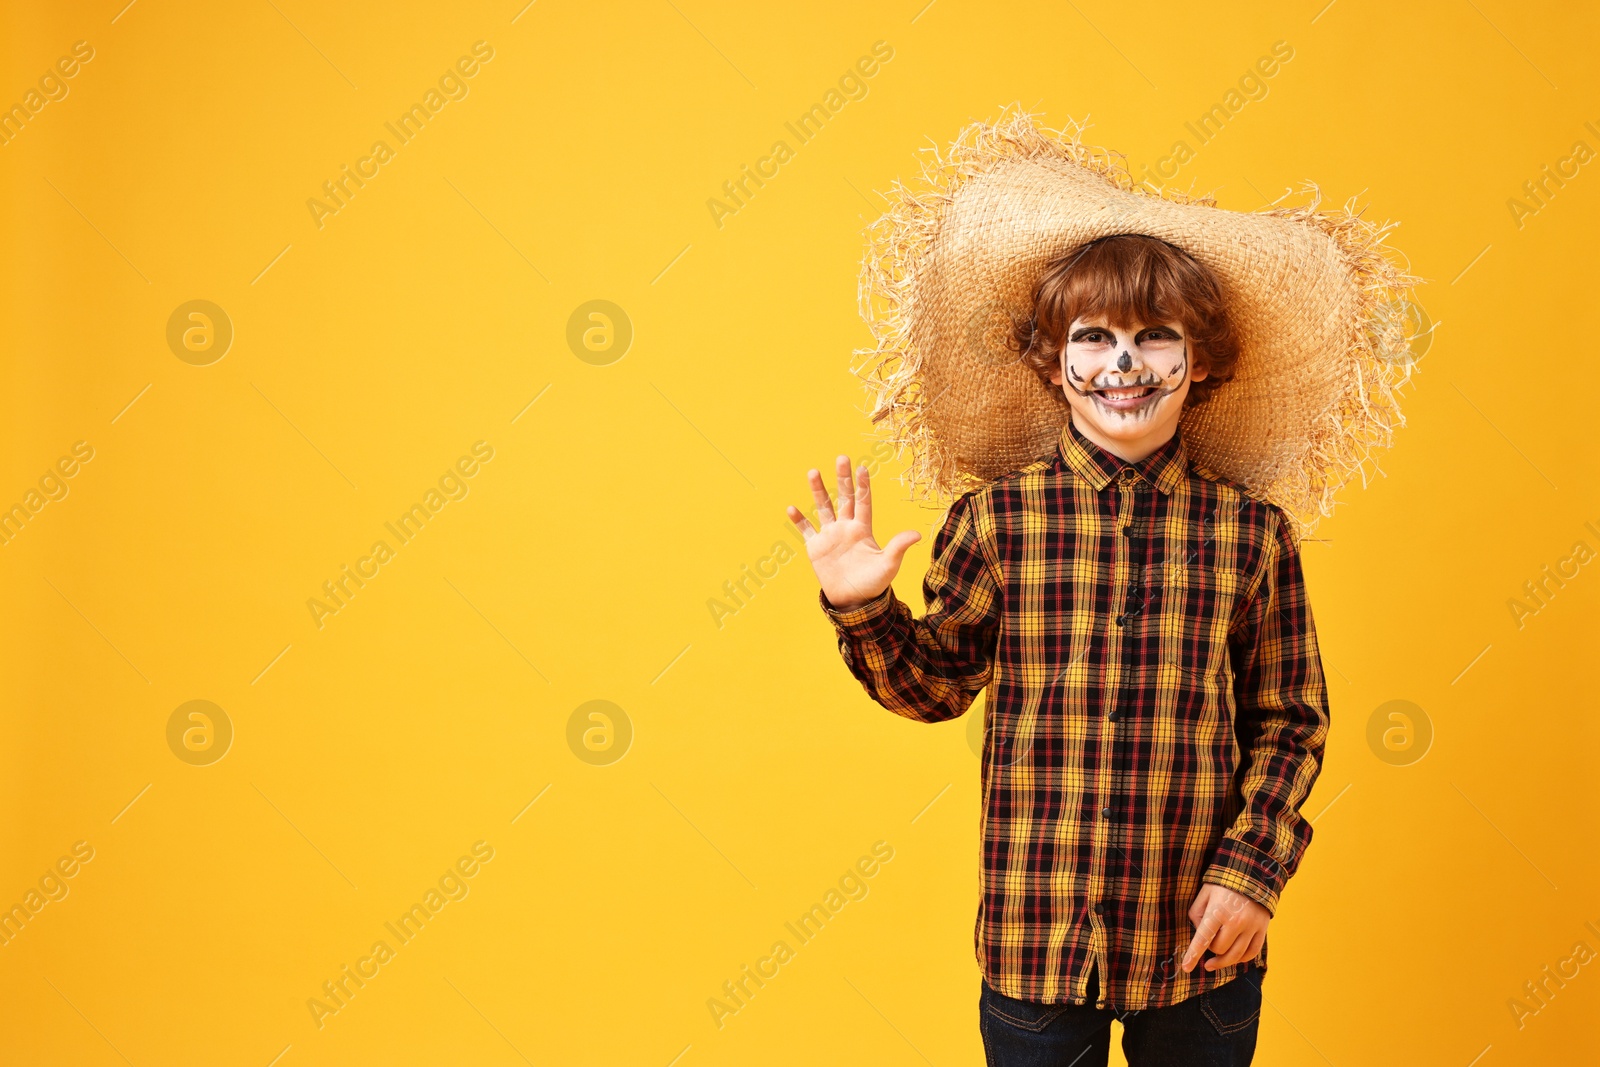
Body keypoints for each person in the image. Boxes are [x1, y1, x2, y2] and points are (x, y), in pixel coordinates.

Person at [785, 106, 1420, 1066]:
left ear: (1197, 361)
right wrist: (861, 604)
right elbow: (935, 687)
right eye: (1092, 337)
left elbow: (1291, 720)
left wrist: (1254, 873)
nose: (1123, 363)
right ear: (1054, 361)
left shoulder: (1251, 534)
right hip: (1039, 950)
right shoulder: (997, 521)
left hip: (1200, 952)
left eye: (1153, 336)